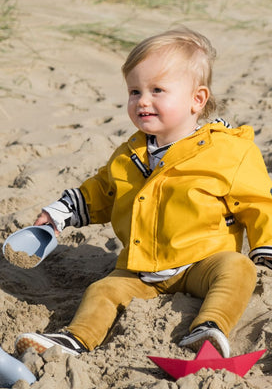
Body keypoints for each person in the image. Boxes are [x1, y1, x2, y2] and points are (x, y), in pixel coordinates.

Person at [15, 27, 272, 359]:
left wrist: (265, 247)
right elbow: (101, 192)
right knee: (103, 288)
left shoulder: (227, 152)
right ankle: (76, 339)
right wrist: (60, 213)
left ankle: (209, 328)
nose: (142, 101)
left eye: (157, 90)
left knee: (237, 269)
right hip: (142, 270)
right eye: (134, 91)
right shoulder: (129, 155)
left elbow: (258, 201)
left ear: (198, 99)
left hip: (202, 261)